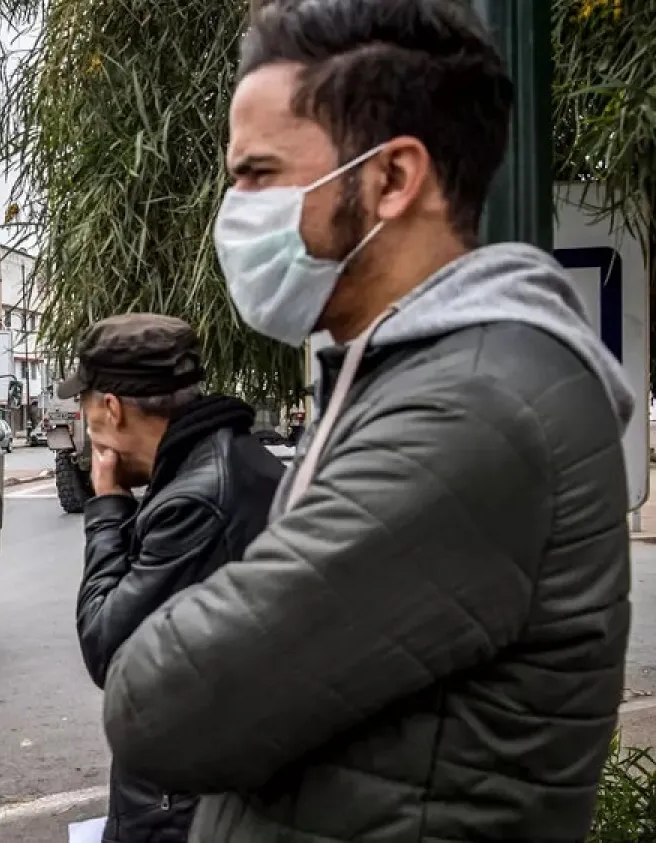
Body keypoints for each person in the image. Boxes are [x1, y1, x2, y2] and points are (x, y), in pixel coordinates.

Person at [100, 1, 635, 840]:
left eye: (258, 174)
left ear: (392, 179)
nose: (232, 209)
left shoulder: (476, 410)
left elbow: (158, 704)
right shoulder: (413, 375)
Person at [61, 313, 284, 842]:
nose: (86, 429)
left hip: (184, 803)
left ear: (111, 408)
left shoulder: (195, 502)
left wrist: (109, 505)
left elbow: (106, 647)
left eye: (87, 411)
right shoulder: (232, 461)